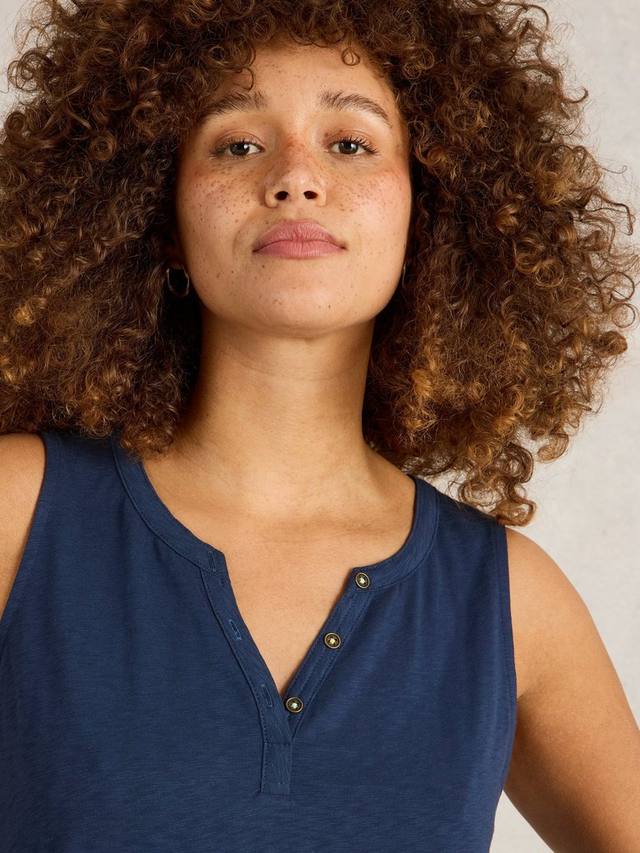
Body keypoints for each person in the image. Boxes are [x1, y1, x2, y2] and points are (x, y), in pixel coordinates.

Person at [0, 0, 639, 850]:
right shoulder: (21, 515)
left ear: (426, 214)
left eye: (350, 144)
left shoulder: (507, 599)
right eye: (238, 145)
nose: (296, 178)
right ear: (161, 218)